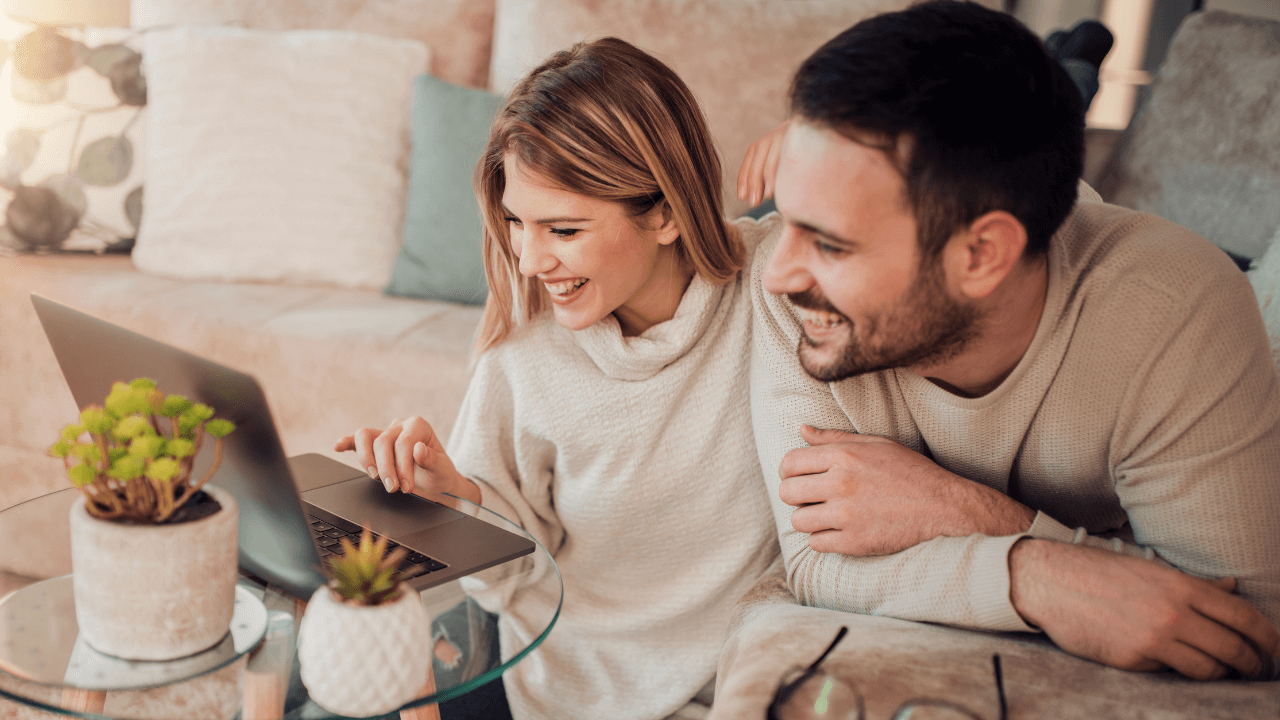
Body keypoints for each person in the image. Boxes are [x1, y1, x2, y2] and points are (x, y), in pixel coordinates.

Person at [741, 0, 1280, 682]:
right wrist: (1040, 573)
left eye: (830, 243)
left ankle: (1071, 62)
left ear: (982, 255)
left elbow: (1244, 628)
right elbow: (817, 563)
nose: (779, 273)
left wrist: (963, 513)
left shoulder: (1175, 308)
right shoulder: (793, 290)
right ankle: (1070, 62)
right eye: (787, 220)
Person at [336, 37, 780, 720]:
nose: (530, 259)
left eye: (564, 229)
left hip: (725, 685)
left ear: (665, 211)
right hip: (553, 677)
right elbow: (513, 570)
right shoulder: (523, 348)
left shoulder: (777, 282)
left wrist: (821, 133)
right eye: (517, 222)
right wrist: (456, 499)